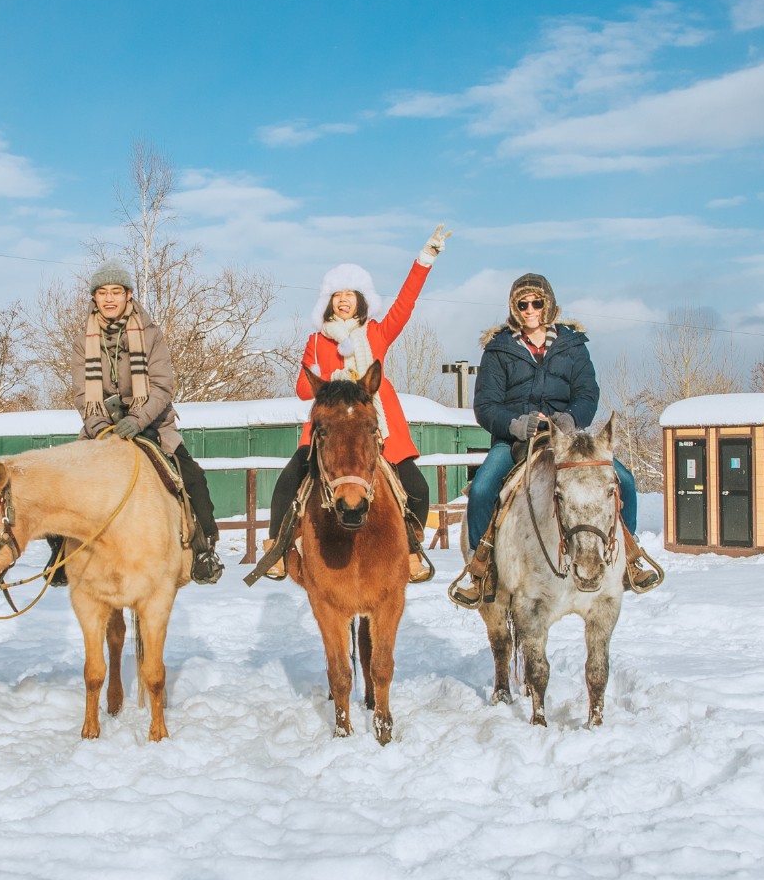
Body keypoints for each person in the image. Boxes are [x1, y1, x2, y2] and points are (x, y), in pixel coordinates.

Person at [447, 273, 659, 608]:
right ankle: (480, 568)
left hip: (568, 439)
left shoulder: (572, 347)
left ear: (549, 305)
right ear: (514, 309)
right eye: (522, 304)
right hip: (516, 439)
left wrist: (571, 418)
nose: (530, 309)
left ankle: (628, 558)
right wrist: (518, 424)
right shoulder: (498, 350)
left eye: (536, 302)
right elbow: (485, 406)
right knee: (484, 488)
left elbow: (588, 393)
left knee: (626, 482)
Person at [260, 226, 450, 583]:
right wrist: (329, 378)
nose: (343, 300)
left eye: (350, 294)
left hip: (376, 425)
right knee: (288, 481)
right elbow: (304, 388)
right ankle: (276, 550)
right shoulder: (317, 341)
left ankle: (409, 549)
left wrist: (425, 259)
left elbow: (405, 303)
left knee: (419, 490)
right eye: (337, 295)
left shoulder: (377, 332)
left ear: (362, 301)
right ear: (328, 303)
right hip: (330, 428)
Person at [77, 264, 222, 584]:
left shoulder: (150, 333)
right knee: (66, 481)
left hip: (151, 423)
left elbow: (162, 386)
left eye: (116, 292)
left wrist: (136, 419)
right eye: (102, 293)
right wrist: (100, 426)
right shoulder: (83, 338)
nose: (109, 299)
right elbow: (81, 392)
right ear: (94, 298)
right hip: (102, 429)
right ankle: (63, 555)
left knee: (193, 476)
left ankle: (204, 548)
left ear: (128, 295)